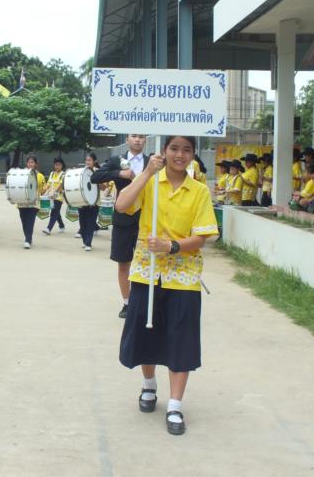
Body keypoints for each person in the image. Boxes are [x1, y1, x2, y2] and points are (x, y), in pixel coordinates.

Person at [115, 135, 218, 436]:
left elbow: (202, 237)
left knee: (181, 338)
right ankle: (149, 385)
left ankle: (175, 404)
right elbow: (121, 205)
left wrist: (171, 246)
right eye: (174, 148)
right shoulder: (150, 183)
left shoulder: (199, 191)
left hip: (183, 276)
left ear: (193, 155)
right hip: (147, 273)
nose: (179, 155)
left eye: (186, 150)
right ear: (164, 151)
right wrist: (147, 172)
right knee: (146, 334)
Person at [91, 134, 149, 319]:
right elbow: (95, 176)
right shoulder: (117, 160)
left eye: (141, 137)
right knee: (123, 262)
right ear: (127, 140)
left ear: (146, 140)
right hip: (123, 219)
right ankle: (127, 302)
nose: (137, 140)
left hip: (146, 220)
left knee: (147, 262)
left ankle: (146, 301)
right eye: (134, 136)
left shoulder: (152, 162)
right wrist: (119, 173)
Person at [18, 155, 46, 249]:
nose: (30, 164)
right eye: (29, 162)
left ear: (35, 164)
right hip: (22, 202)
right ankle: (28, 237)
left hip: (34, 202)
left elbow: (43, 189)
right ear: (27, 163)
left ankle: (28, 240)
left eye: (32, 162)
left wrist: (44, 190)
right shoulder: (22, 174)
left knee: (30, 221)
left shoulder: (40, 176)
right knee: (24, 221)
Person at [78, 152, 103, 251]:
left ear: (94, 161)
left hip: (94, 202)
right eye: (86, 160)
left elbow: (104, 186)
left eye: (89, 160)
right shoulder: (82, 171)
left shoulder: (98, 172)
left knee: (91, 223)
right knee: (82, 223)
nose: (87, 162)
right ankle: (85, 241)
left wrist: (98, 183)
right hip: (82, 201)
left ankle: (88, 243)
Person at [42, 157, 66, 235]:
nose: (57, 166)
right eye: (56, 165)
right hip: (50, 196)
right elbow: (48, 184)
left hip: (58, 197)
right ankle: (62, 226)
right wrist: (44, 190)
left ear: (62, 165)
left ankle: (48, 229)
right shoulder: (52, 174)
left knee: (54, 212)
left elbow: (61, 184)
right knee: (56, 212)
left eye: (59, 165)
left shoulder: (63, 174)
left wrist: (54, 191)